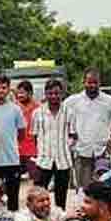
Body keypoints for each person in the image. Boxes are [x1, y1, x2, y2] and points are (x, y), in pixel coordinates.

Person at [64, 69, 111, 192]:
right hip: (81, 153)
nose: (92, 85)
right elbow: (62, 119)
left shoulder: (109, 101)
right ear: (83, 82)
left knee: (104, 189)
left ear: (100, 83)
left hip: (102, 154)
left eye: (95, 82)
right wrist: (69, 140)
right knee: (83, 190)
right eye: (89, 82)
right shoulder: (73, 101)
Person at [0, 76, 26, 213]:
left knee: (13, 197)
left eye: (4, 87)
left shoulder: (15, 109)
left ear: (8, 89)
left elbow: (21, 133)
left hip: (11, 159)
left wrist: (11, 144)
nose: (1, 91)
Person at [33, 78, 74, 210]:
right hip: (44, 160)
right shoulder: (38, 113)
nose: (54, 96)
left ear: (62, 93)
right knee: (39, 195)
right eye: (50, 93)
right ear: (45, 94)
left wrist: (67, 147)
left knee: (61, 197)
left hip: (63, 160)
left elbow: (73, 134)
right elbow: (34, 136)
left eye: (57, 93)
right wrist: (41, 152)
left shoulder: (69, 112)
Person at [15, 80, 41, 183]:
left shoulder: (38, 109)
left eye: (22, 92)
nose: (20, 95)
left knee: (36, 179)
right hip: (17, 150)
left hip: (33, 150)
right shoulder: (14, 108)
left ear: (30, 93)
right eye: (18, 93)